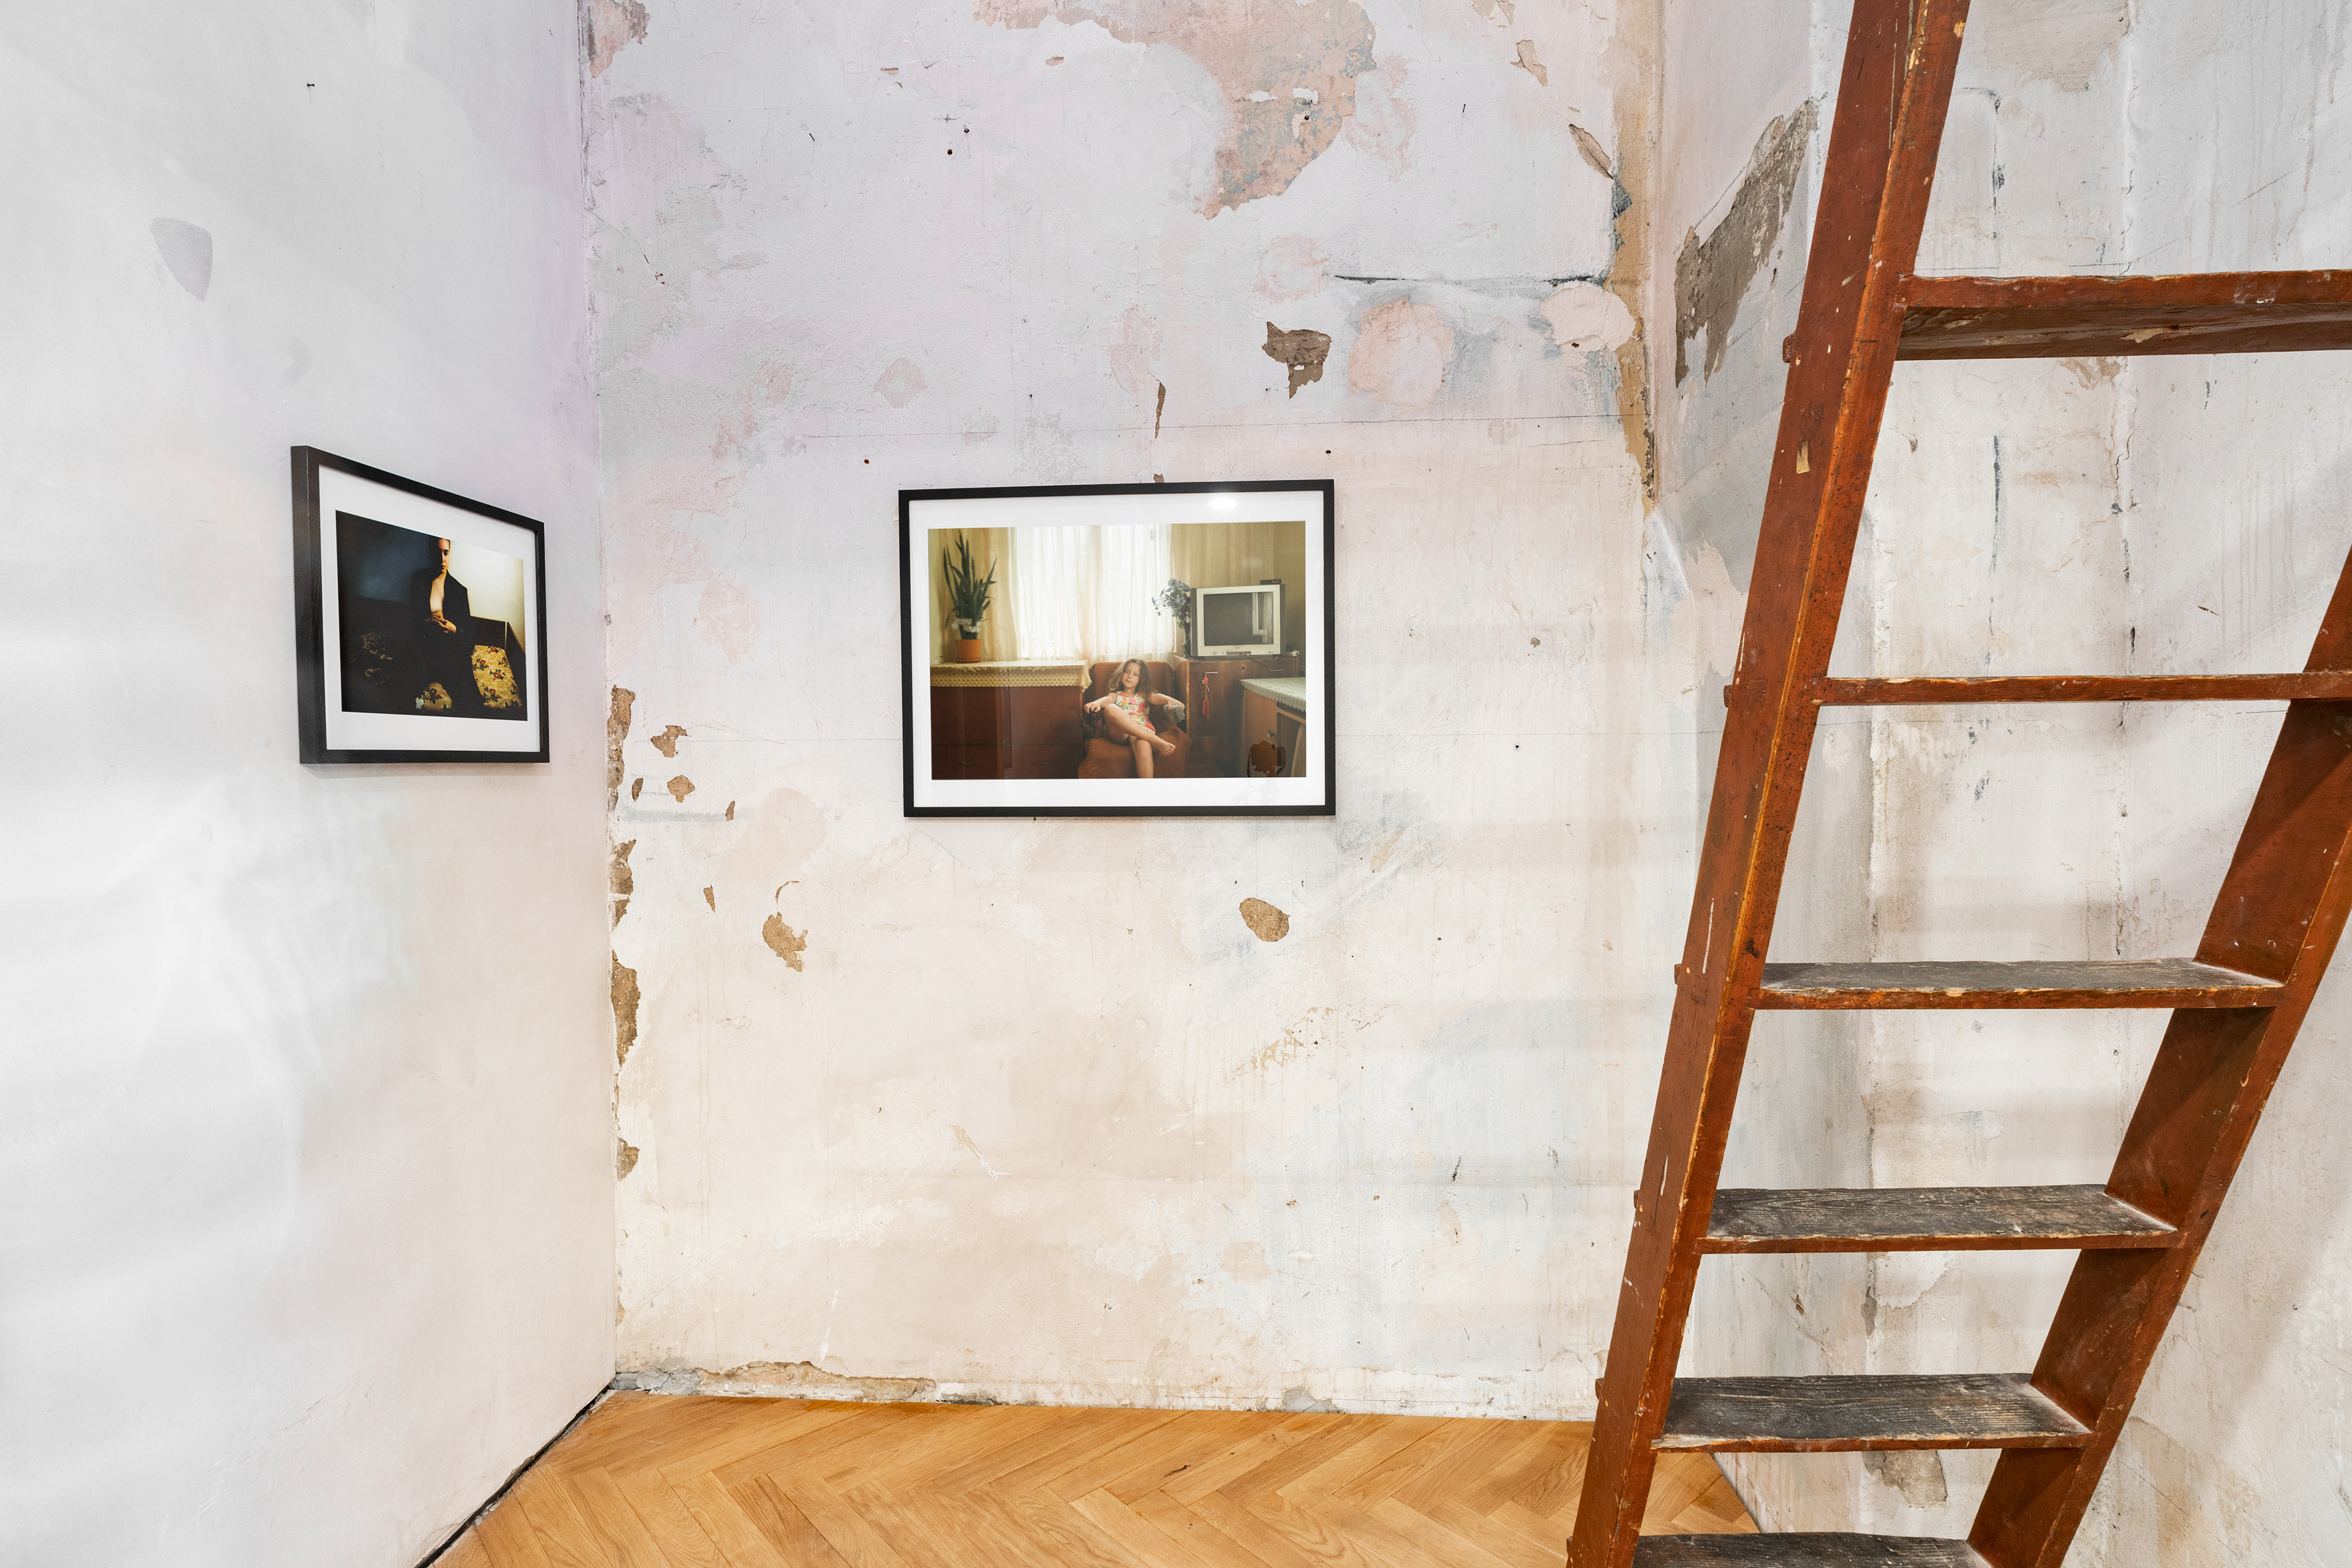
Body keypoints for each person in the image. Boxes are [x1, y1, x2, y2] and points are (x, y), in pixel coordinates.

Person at [406, 537, 482, 714]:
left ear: (450, 554)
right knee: (405, 681)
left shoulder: (459, 590)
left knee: (470, 698)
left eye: (446, 553)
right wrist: (426, 623)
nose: (442, 559)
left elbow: (469, 637)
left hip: (449, 650)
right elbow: (408, 622)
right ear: (430, 553)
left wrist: (454, 630)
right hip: (424, 647)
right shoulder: (419, 580)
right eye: (438, 552)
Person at [1084, 658, 1181, 777]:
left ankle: (1147, 786)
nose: (1130, 676)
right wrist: (1096, 703)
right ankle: (1155, 740)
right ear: (1122, 673)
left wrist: (1169, 700)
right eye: (1127, 672)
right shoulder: (1116, 695)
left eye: (1135, 674)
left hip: (1142, 732)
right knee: (1111, 708)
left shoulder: (1145, 695)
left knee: (1144, 745)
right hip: (1121, 733)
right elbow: (1108, 700)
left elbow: (1156, 697)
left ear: (1141, 679)